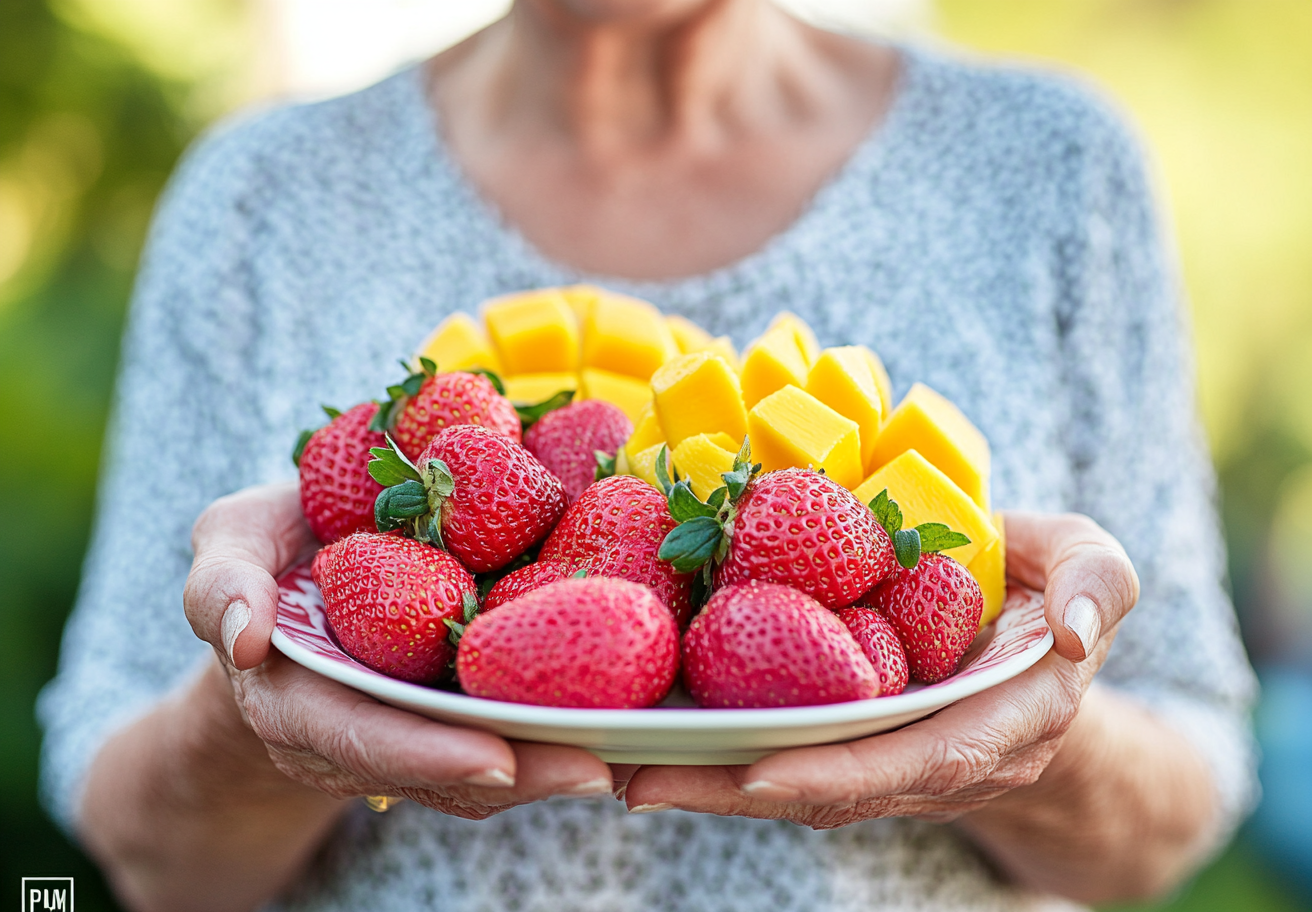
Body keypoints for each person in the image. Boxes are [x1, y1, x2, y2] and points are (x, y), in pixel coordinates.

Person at [38, 1, 1258, 910]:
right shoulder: (258, 199)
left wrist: (1023, 717)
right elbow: (147, 855)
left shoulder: (1052, 167)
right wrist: (253, 705)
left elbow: (1177, 799)